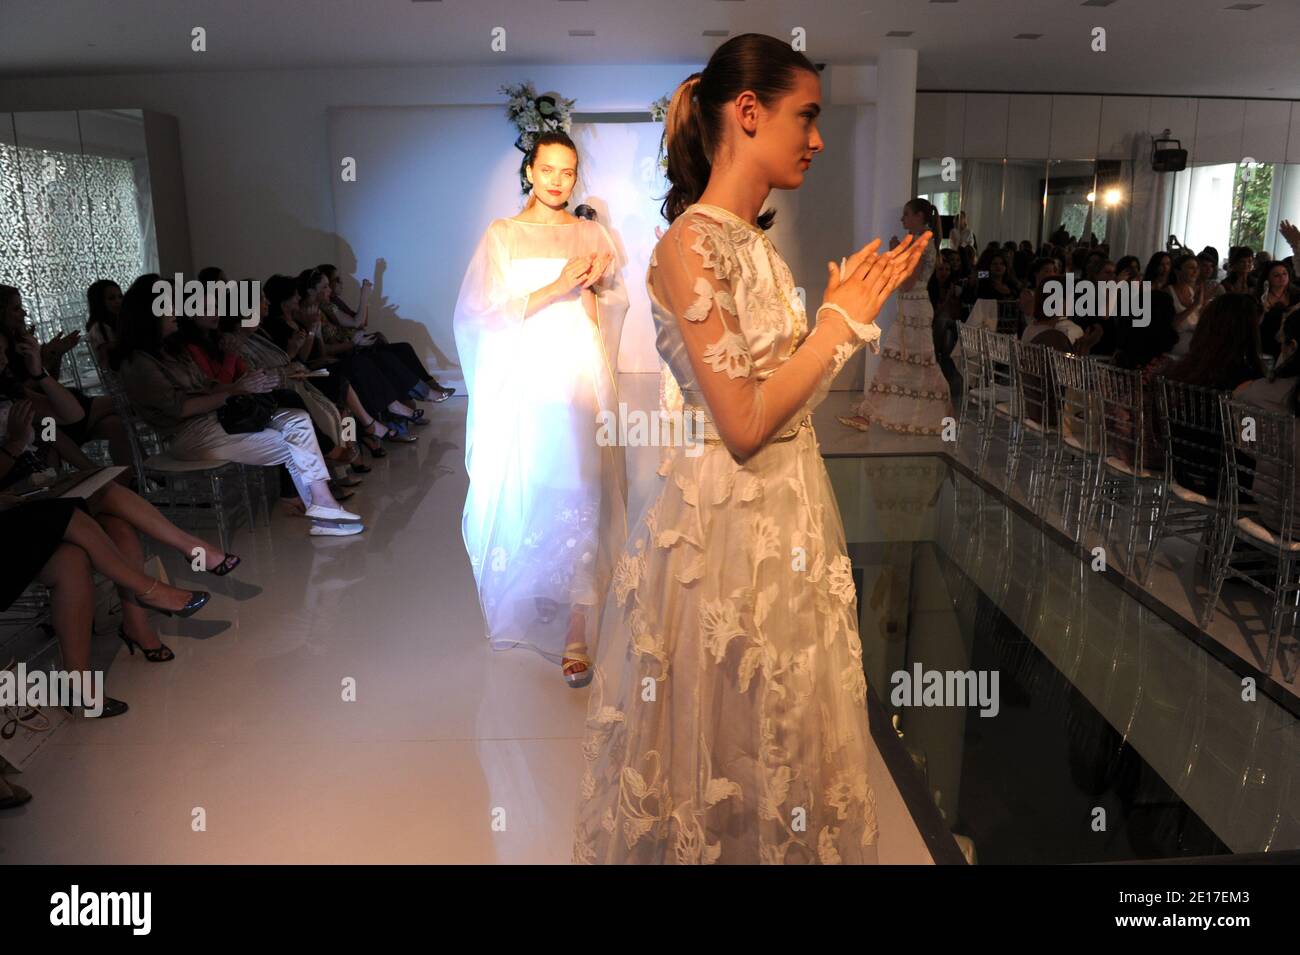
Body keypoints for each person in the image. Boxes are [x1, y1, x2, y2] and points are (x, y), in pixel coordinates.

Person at [572, 33, 929, 864]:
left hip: (787, 510)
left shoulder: (755, 244)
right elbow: (741, 421)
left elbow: (784, 399)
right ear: (747, 111)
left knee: (780, 726)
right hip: (724, 522)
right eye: (806, 115)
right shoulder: (689, 245)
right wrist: (839, 320)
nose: (818, 137)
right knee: (721, 727)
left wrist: (840, 318)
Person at [453, 129, 630, 687]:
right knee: (530, 481)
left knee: (583, 484)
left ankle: (579, 622)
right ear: (529, 170)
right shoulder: (503, 235)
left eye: (568, 171)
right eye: (548, 169)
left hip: (578, 370)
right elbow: (479, 314)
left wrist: (595, 293)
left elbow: (610, 308)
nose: (558, 180)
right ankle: (537, 579)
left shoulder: (591, 232)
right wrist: (556, 286)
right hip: (524, 375)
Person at [111, 275, 365, 537]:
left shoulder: (171, 350)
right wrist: (235, 390)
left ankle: (324, 507)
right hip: (188, 435)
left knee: (297, 419)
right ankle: (324, 509)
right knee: (295, 442)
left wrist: (244, 385)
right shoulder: (138, 363)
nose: (176, 310)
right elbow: (180, 409)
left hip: (216, 419)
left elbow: (209, 385)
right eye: (169, 305)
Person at [837, 197, 952, 435]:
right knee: (904, 361)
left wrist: (894, 257)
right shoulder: (921, 242)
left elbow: (907, 283)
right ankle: (870, 414)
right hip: (912, 309)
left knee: (915, 362)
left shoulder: (923, 242)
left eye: (906, 214)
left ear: (919, 217)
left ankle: (940, 414)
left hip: (915, 310)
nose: (902, 219)